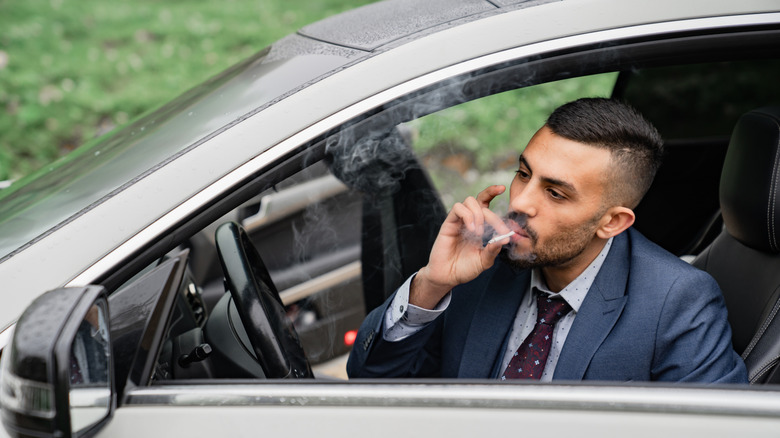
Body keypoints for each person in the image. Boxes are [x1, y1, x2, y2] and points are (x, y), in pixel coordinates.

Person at [346, 98, 747, 383]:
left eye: (555, 193)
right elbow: (372, 379)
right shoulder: (484, 265)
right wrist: (433, 284)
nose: (519, 203)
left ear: (612, 222)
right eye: (524, 173)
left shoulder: (676, 301)